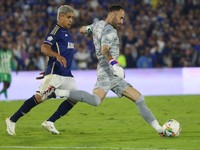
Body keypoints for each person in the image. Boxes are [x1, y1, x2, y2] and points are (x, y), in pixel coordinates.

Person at [42, 5, 165, 137]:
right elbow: (104, 49)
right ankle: (55, 92)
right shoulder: (110, 31)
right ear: (112, 15)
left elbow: (84, 29)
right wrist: (115, 65)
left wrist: (85, 30)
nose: (122, 22)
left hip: (113, 75)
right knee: (96, 100)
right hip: (107, 72)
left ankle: (160, 129)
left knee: (139, 99)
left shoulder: (97, 24)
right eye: (121, 18)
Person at [5, 5, 78, 135]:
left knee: (74, 97)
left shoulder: (68, 33)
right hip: (55, 74)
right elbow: (44, 48)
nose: (71, 20)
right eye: (68, 17)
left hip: (66, 74)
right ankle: (12, 119)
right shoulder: (55, 31)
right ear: (60, 16)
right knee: (39, 98)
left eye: (72, 17)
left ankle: (50, 122)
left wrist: (50, 66)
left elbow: (62, 55)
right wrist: (56, 58)